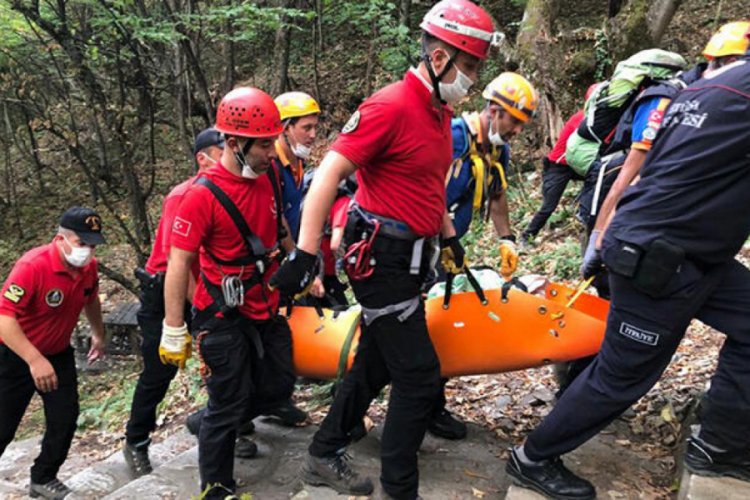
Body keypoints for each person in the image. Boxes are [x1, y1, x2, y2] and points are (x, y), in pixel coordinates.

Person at [270, 1, 500, 498]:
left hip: (413, 256)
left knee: (375, 363)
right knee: (418, 378)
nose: (474, 79)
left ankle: (323, 450)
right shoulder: (390, 105)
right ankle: (401, 490)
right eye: (471, 66)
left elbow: (428, 183)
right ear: (440, 59)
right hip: (381, 260)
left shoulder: (440, 111)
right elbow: (328, 174)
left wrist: (448, 235)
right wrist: (306, 254)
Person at [507, 34, 750, 499]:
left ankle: (721, 443)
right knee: (621, 377)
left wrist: (602, 234)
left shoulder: (693, 91)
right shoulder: (732, 92)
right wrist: (602, 235)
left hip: (695, 254)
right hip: (658, 260)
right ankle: (532, 458)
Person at [159, 87, 290, 499]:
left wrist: (300, 260)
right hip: (222, 314)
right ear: (234, 143)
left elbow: (278, 223)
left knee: (278, 386)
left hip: (264, 301)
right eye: (266, 143)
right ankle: (216, 488)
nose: (274, 152)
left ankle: (213, 419)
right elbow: (178, 262)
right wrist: (173, 328)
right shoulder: (200, 195)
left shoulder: (268, 174)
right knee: (228, 399)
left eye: (275, 141)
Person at [582, 21, 750, 281]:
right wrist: (599, 237)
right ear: (731, 60)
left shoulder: (714, 102)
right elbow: (630, 176)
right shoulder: (667, 101)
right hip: (620, 197)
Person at [432, 71, 537, 440]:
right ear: (494, 110)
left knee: (440, 328)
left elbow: (496, 195)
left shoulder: (497, 149)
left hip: (449, 248)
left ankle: (432, 405)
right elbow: (428, 190)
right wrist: (443, 242)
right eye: (514, 122)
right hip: (423, 243)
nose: (517, 131)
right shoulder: (453, 138)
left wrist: (506, 238)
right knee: (419, 330)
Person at [122, 127, 224, 477]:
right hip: (167, 291)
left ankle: (221, 426)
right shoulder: (182, 195)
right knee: (159, 370)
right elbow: (175, 261)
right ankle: (136, 440)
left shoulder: (227, 190)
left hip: (207, 291)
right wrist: (192, 315)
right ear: (204, 157)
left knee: (225, 360)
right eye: (223, 151)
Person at [0, 207, 107, 499]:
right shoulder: (32, 266)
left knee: (65, 418)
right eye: (81, 243)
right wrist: (34, 360)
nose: (87, 251)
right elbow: (4, 318)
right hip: (16, 355)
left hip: (58, 354)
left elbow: (91, 298)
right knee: (4, 426)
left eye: (93, 245)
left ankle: (43, 477)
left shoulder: (89, 268)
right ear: (61, 239)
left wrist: (98, 333)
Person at [521, 83, 598, 244]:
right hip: (558, 165)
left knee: (599, 175)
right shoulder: (582, 117)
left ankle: (582, 203)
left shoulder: (596, 117)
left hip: (576, 165)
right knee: (549, 206)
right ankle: (527, 237)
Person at [274, 91, 321, 239]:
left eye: (315, 127)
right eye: (306, 128)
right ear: (285, 128)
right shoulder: (272, 166)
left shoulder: (298, 160)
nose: (313, 135)